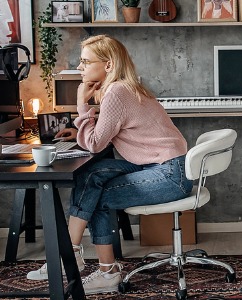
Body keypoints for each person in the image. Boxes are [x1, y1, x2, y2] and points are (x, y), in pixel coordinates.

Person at [27, 34, 192, 295]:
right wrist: (78, 130)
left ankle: (89, 265)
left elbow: (94, 144)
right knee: (91, 175)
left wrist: (81, 104)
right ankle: (77, 258)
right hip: (159, 167)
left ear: (108, 65)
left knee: (96, 192)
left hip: (169, 175)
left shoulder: (116, 92)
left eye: (84, 61)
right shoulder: (124, 87)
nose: (79, 67)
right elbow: (104, 134)